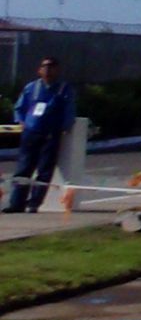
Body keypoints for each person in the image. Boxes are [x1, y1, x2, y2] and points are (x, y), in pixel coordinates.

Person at [8, 57, 78, 213]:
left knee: (44, 170)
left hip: (51, 134)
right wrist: (21, 121)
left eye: (51, 67)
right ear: (39, 70)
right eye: (45, 67)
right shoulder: (31, 87)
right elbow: (19, 108)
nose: (48, 70)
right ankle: (16, 203)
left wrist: (65, 127)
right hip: (31, 132)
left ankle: (34, 203)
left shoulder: (64, 89)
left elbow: (69, 110)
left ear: (57, 70)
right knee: (23, 168)